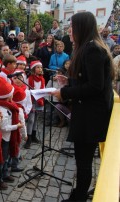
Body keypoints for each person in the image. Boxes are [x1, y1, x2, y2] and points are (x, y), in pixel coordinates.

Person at [51, 12, 114, 202]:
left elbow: (95, 86)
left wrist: (65, 93)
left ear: (82, 27)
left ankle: (78, 198)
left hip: (91, 115)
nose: (70, 30)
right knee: (83, 160)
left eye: (73, 25)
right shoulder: (89, 47)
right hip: (90, 112)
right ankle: (78, 194)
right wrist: (69, 81)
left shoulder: (92, 49)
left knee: (84, 161)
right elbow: (86, 79)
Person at [0, 77, 23, 190]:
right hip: (3, 138)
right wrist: (17, 126)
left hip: (8, 137)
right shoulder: (2, 109)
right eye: (11, 94)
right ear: (7, 96)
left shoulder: (8, 106)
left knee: (6, 158)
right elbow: (4, 127)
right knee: (1, 159)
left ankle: (5, 174)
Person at [24, 61, 44, 149]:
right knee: (31, 119)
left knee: (36, 118)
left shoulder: (42, 79)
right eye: (38, 67)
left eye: (41, 67)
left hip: (38, 100)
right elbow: (27, 90)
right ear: (33, 69)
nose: (40, 69)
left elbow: (43, 89)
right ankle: (28, 138)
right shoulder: (29, 79)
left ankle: (33, 135)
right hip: (31, 100)